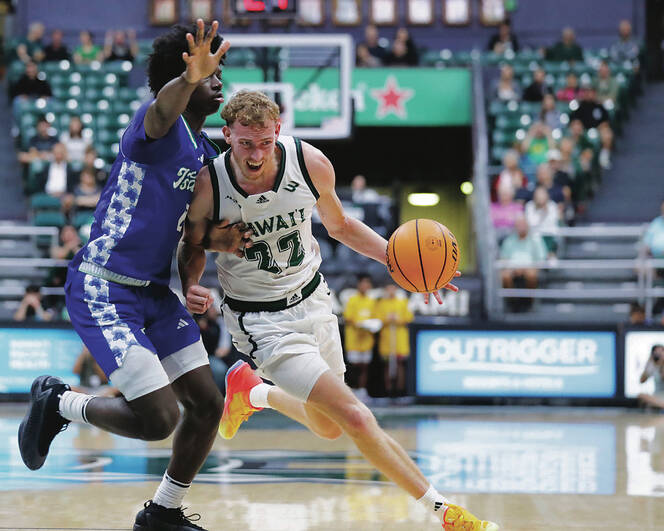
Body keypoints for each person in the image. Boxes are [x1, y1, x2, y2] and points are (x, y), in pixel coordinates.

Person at [178, 89, 497, 530]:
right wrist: (191, 284)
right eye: (245, 143)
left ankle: (252, 392)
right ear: (227, 134)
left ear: (279, 132)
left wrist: (401, 263)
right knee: (354, 416)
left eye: (265, 142)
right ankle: (443, 511)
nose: (255, 154)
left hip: (313, 298)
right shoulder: (210, 184)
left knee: (328, 427)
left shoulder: (310, 164)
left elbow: (341, 226)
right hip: (262, 322)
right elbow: (192, 245)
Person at [17, 20, 246, 531]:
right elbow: (166, 108)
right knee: (160, 419)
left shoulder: (205, 151)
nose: (218, 79)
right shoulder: (153, 124)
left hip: (157, 294)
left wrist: (208, 255)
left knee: (208, 405)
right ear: (181, 74)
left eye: (218, 71)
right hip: (105, 283)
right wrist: (189, 77)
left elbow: (189, 232)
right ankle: (61, 403)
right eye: (209, 72)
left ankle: (163, 512)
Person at [374, 282, 413, 399]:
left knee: (400, 364)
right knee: (387, 365)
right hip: (387, 339)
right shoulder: (381, 304)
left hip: (399, 339)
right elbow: (377, 319)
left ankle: (400, 391)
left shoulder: (402, 303)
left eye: (393, 288)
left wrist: (398, 319)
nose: (391, 291)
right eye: (388, 289)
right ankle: (388, 391)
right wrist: (387, 319)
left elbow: (409, 318)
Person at [343, 274, 377, 402]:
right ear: (359, 285)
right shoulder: (352, 300)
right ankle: (352, 390)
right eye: (363, 283)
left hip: (366, 340)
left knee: (364, 367)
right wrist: (359, 324)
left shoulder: (371, 301)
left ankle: (362, 391)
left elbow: (375, 318)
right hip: (354, 339)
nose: (365, 286)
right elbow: (348, 318)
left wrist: (371, 325)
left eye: (367, 284)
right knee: (353, 367)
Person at [639, 344, 664, 410]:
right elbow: (641, 381)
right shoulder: (652, 365)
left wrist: (662, 363)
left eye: (661, 351)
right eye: (656, 352)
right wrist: (649, 363)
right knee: (641, 396)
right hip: (657, 396)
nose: (659, 354)